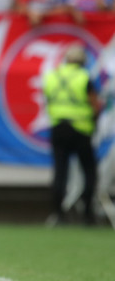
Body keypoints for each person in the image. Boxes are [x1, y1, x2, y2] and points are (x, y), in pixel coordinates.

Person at [42, 43, 101, 225]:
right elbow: (95, 105)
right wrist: (94, 120)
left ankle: (58, 214)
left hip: (58, 128)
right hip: (81, 129)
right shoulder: (84, 77)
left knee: (60, 173)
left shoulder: (52, 76)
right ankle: (87, 212)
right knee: (89, 171)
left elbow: (48, 99)